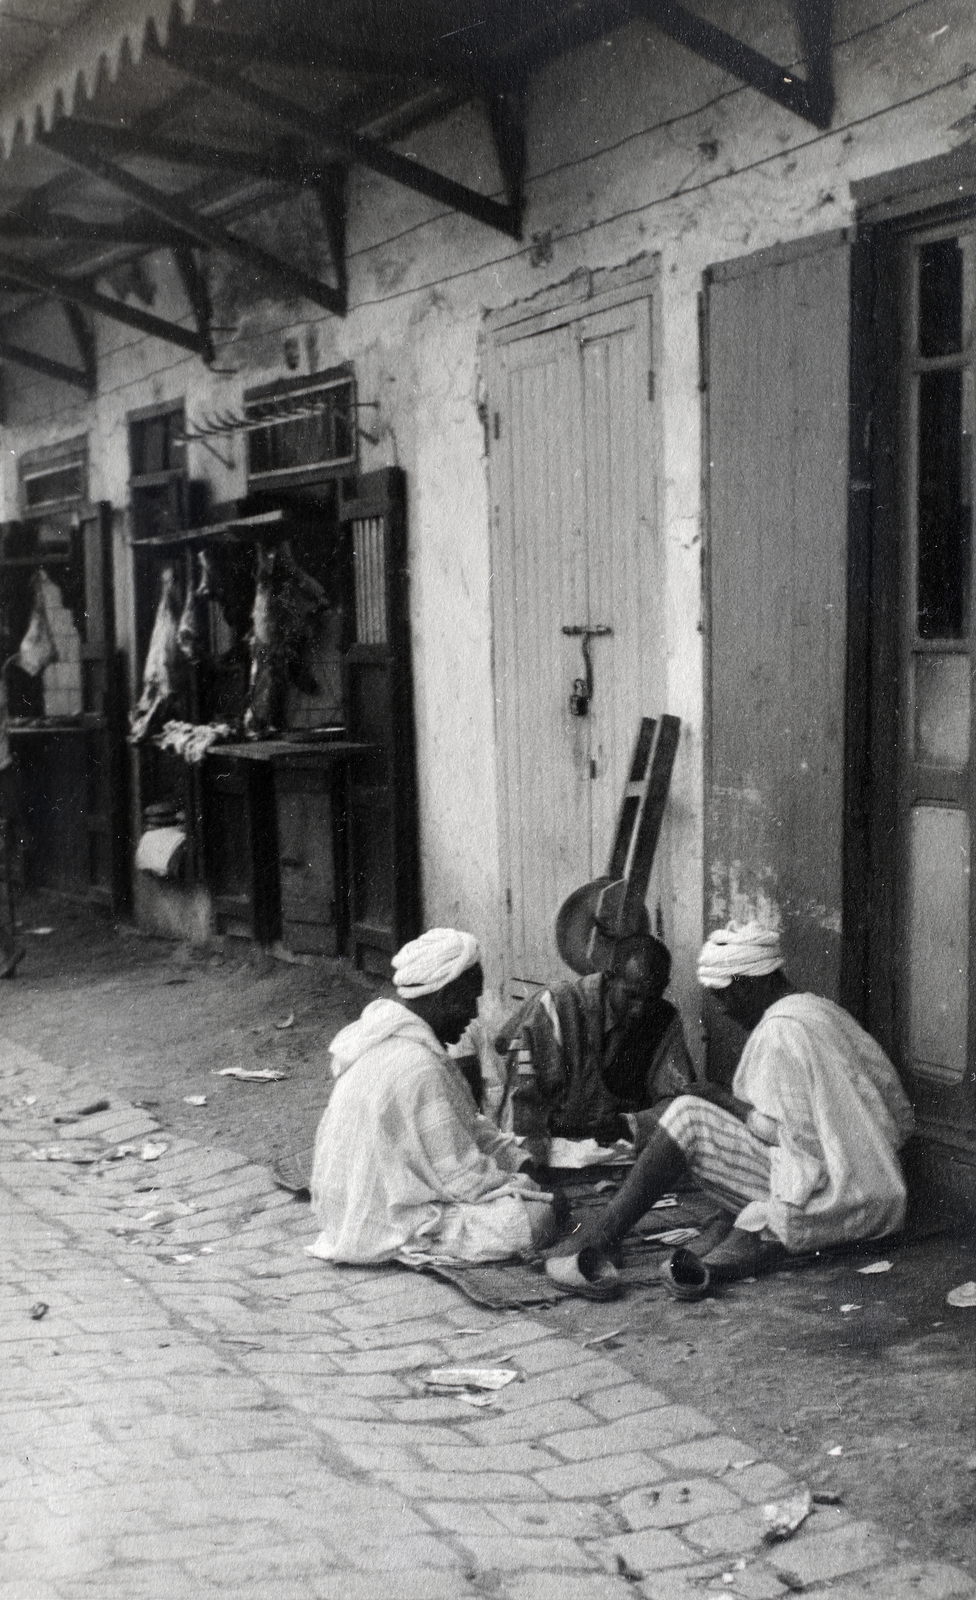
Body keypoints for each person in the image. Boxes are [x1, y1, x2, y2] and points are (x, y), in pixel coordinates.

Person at [546, 921, 915, 1292]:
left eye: (724, 996)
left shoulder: (779, 1031)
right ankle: (715, 1232)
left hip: (833, 1194)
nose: (723, 1010)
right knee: (702, 1127)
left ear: (749, 983)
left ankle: (607, 1233)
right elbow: (897, 1112)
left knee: (689, 1115)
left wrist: (717, 1096)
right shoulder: (823, 1010)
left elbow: (786, 1140)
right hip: (879, 1185)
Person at [308, 927, 555, 1265]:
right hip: (381, 1222)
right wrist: (525, 1184)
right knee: (539, 1216)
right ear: (443, 997)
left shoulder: (398, 1042)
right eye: (469, 1000)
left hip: (347, 1212)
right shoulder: (419, 1065)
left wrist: (514, 1157)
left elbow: (465, 1123)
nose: (472, 1014)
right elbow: (464, 1181)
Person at [497, 933, 695, 1160]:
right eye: (631, 996)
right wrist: (531, 1165)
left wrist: (630, 1124)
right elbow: (522, 1106)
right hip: (548, 1153)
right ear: (610, 977)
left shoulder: (664, 1019)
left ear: (664, 987)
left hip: (614, 1158)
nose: (639, 1010)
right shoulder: (557, 1006)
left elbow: (681, 1104)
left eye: (652, 998)